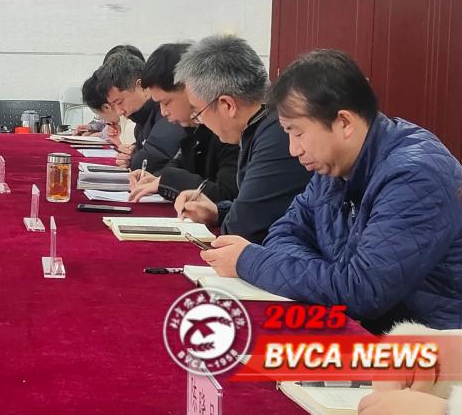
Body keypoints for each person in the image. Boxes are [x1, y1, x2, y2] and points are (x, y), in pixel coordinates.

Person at [201, 50, 462, 332]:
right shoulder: (333, 166)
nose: (293, 149)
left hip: (432, 344)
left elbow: (362, 291)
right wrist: (330, 277)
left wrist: (249, 261)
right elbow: (283, 233)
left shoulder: (415, 175)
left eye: (298, 133)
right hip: (367, 331)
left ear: (344, 123)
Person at [170, 34, 312, 243]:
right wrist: (219, 212)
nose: (199, 121)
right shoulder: (264, 123)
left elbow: (245, 228)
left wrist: (229, 218)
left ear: (227, 105)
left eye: (198, 112)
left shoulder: (278, 134)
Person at [127, 43, 239, 204]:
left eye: (166, 102)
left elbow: (227, 195)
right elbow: (180, 165)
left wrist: (169, 180)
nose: (163, 112)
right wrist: (158, 179)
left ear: (190, 89)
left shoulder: (226, 128)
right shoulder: (194, 128)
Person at [93, 51, 184, 172]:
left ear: (141, 86)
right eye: (113, 105)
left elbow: (152, 159)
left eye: (119, 102)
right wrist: (132, 151)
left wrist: (133, 158)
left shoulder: (167, 112)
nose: (119, 112)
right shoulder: (142, 118)